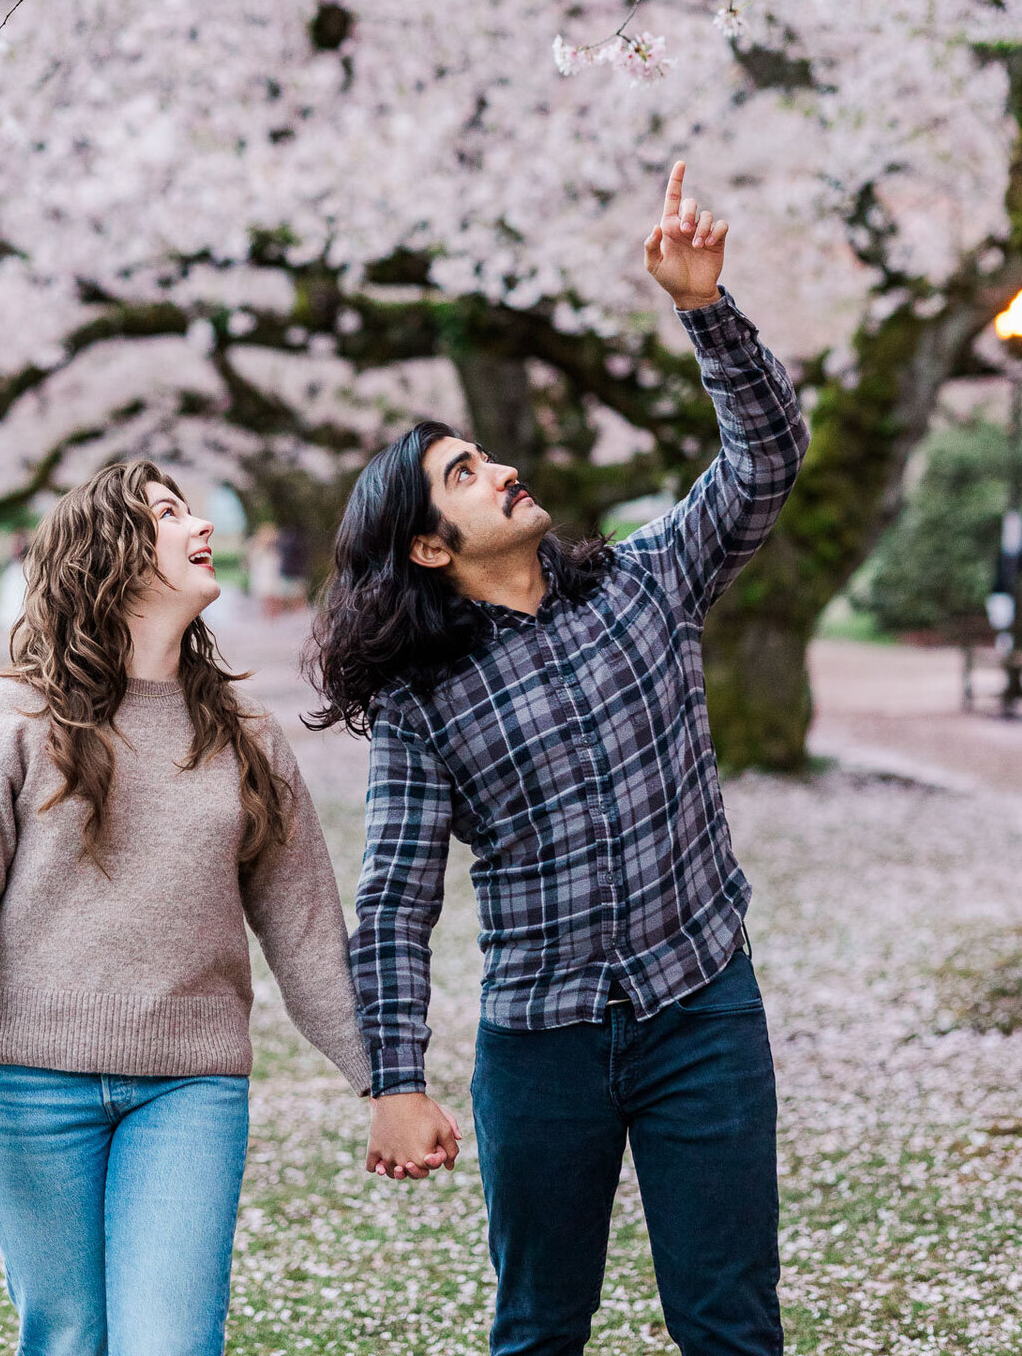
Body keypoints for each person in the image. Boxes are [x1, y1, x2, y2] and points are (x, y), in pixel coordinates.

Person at [308, 162, 811, 1356]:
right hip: (541, 1046)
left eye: (486, 457)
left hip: (705, 1008)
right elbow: (393, 900)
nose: (501, 472)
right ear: (431, 548)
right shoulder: (428, 702)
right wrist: (395, 1077)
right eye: (465, 476)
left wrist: (704, 309)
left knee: (732, 1325)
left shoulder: (647, 586)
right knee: (538, 1329)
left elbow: (768, 460)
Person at [0, 459, 370, 1356]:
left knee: (169, 1342)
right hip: (28, 1086)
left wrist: (385, 1082)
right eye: (168, 512)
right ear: (109, 556)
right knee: (70, 1334)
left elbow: (307, 931)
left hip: (191, 1088)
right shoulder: (8, 719)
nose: (200, 524)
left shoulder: (246, 736)